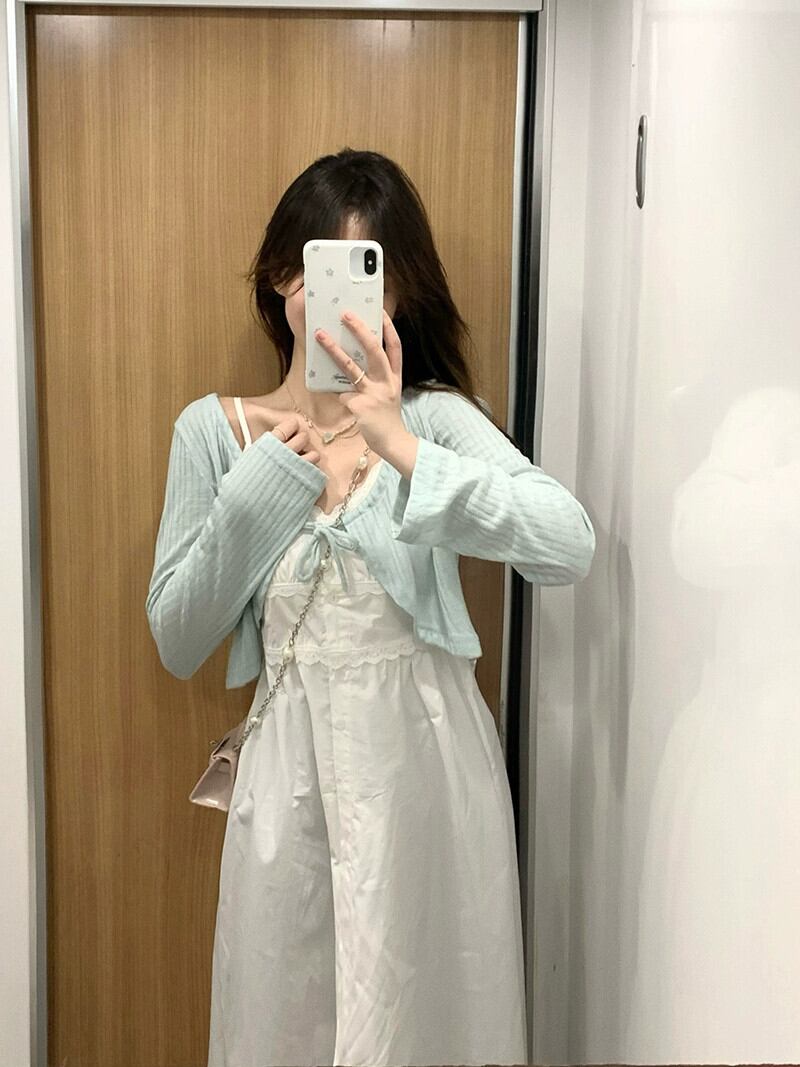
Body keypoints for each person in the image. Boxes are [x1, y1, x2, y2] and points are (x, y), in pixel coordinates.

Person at [145, 148, 596, 1067]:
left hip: (425, 768)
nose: (341, 301)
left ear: (399, 294)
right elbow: (178, 634)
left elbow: (567, 542)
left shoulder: (431, 418)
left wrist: (399, 443)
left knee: (429, 1018)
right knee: (285, 1018)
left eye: (369, 274)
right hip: (288, 775)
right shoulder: (213, 431)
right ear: (281, 277)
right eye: (319, 268)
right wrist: (265, 483)